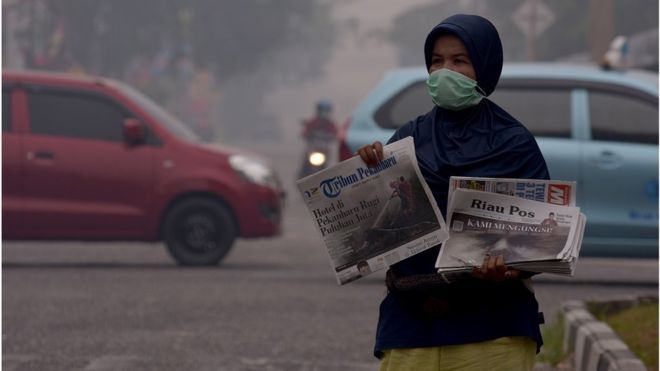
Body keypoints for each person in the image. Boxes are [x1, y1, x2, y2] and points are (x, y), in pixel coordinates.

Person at [356, 14, 549, 371]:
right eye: (437, 61)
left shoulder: (515, 144)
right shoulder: (406, 140)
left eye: (460, 61)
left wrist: (510, 269)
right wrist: (368, 174)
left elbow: (540, 239)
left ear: (485, 67)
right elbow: (376, 230)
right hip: (411, 328)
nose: (445, 71)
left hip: (494, 333)